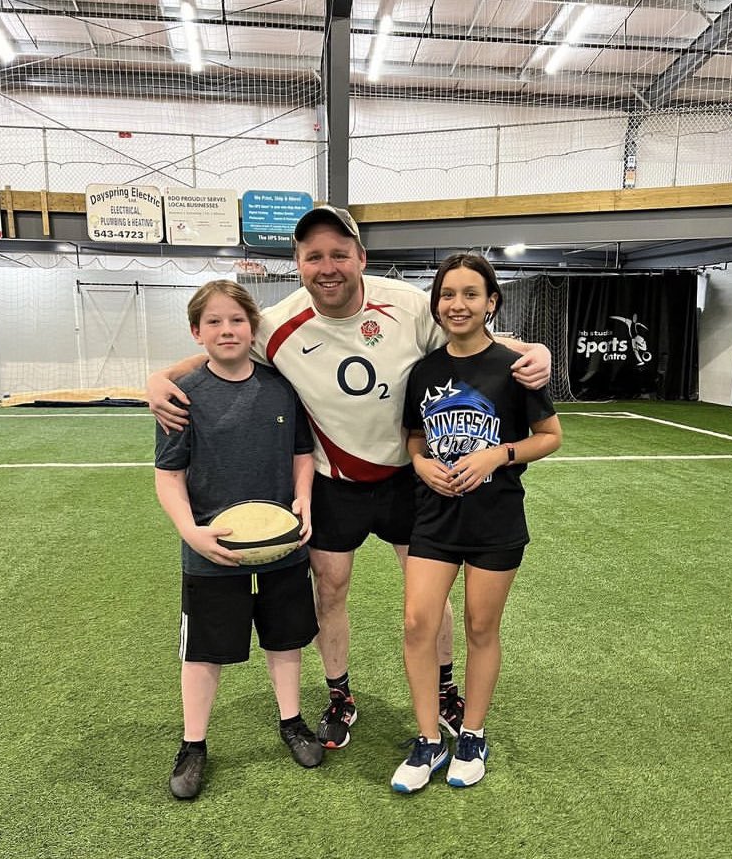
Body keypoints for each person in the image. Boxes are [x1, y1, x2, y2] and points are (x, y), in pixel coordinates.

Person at [148, 206, 552, 752]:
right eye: (314, 256)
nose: (328, 266)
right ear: (298, 264)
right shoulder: (278, 323)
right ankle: (339, 695)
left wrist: (536, 351)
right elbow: (223, 345)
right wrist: (159, 377)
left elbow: (477, 337)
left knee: (428, 595)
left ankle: (446, 687)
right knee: (330, 591)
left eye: (340, 254)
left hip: (413, 477)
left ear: (362, 258)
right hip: (333, 482)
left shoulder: (410, 306)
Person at [391, 253, 562, 793]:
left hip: (496, 521)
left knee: (480, 628)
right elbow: (414, 440)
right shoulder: (424, 371)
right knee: (419, 623)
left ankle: (472, 734)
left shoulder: (516, 366)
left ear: (491, 302)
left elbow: (551, 435)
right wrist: (420, 465)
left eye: (470, 294)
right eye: (447, 294)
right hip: (435, 519)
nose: (457, 304)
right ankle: (427, 741)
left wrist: (499, 455)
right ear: (436, 303)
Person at [155, 280, 321, 800]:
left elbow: (301, 454)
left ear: (253, 330)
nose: (227, 330)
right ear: (195, 332)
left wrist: (303, 499)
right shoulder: (181, 396)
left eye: (237, 321)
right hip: (212, 547)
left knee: (285, 636)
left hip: (279, 544)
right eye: (214, 322)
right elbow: (169, 476)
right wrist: (191, 533)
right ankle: (193, 745)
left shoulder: (281, 387)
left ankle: (291, 721)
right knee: (204, 650)